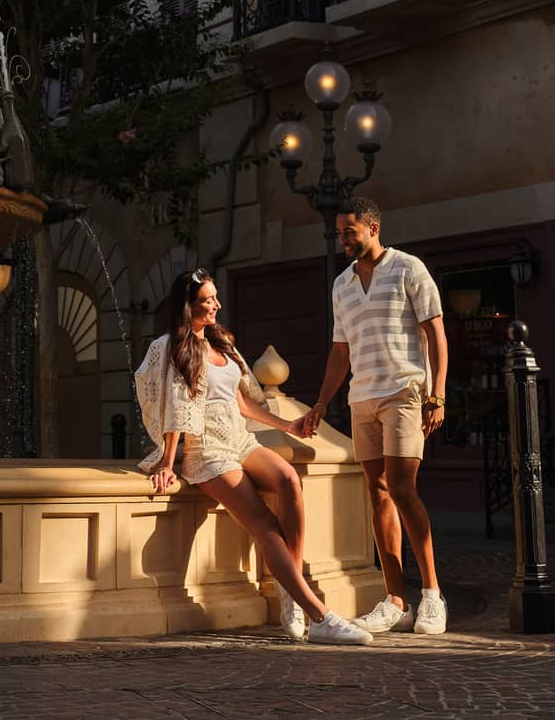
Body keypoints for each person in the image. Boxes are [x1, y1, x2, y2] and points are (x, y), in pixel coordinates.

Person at [137, 268, 372, 646]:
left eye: (215, 297)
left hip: (239, 440)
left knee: (289, 482)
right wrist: (168, 462)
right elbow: (174, 408)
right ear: (187, 306)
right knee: (264, 522)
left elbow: (242, 400)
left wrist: (287, 426)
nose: (215, 304)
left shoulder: (221, 343)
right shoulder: (171, 347)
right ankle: (320, 616)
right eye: (207, 299)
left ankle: (288, 589)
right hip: (207, 450)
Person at [300, 196, 450, 636]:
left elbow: (436, 334)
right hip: (361, 398)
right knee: (378, 492)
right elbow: (339, 352)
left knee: (403, 489)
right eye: (340, 232)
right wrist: (322, 403)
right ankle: (395, 600)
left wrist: (437, 394)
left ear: (373, 227)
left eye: (350, 231)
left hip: (404, 392)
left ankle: (432, 596)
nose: (343, 239)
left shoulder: (408, 269)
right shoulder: (342, 284)